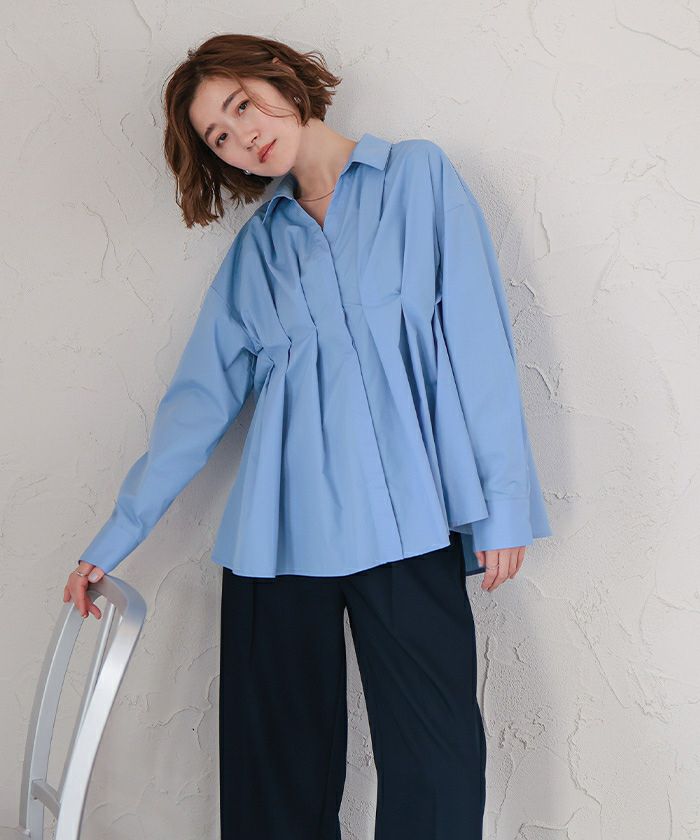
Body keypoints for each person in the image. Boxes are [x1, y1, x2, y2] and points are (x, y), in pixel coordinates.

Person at [64, 33, 552, 840]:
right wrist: (115, 538)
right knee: (274, 787)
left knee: (438, 769)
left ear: (282, 80)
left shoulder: (418, 178)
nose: (243, 136)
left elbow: (480, 347)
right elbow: (198, 405)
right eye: (220, 136)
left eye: (241, 105)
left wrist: (502, 506)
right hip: (279, 541)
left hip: (408, 526)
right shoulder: (257, 252)